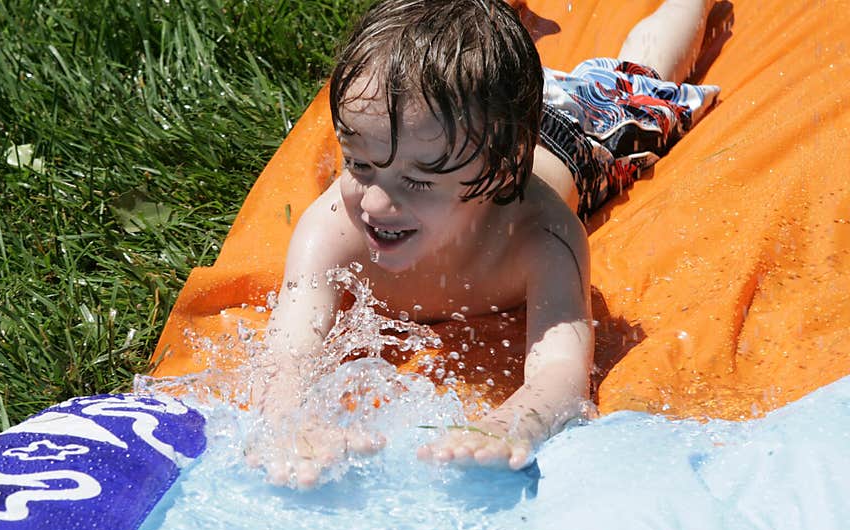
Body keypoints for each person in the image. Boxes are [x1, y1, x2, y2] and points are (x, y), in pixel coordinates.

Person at [249, 0, 721, 489]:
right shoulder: (331, 229)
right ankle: (503, 29)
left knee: (641, 79)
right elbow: (288, 351)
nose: (374, 203)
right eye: (359, 164)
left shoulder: (541, 239)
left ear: (498, 176)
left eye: (417, 183)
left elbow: (561, 370)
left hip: (572, 131)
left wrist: (513, 422)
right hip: (466, 125)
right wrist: (290, 422)